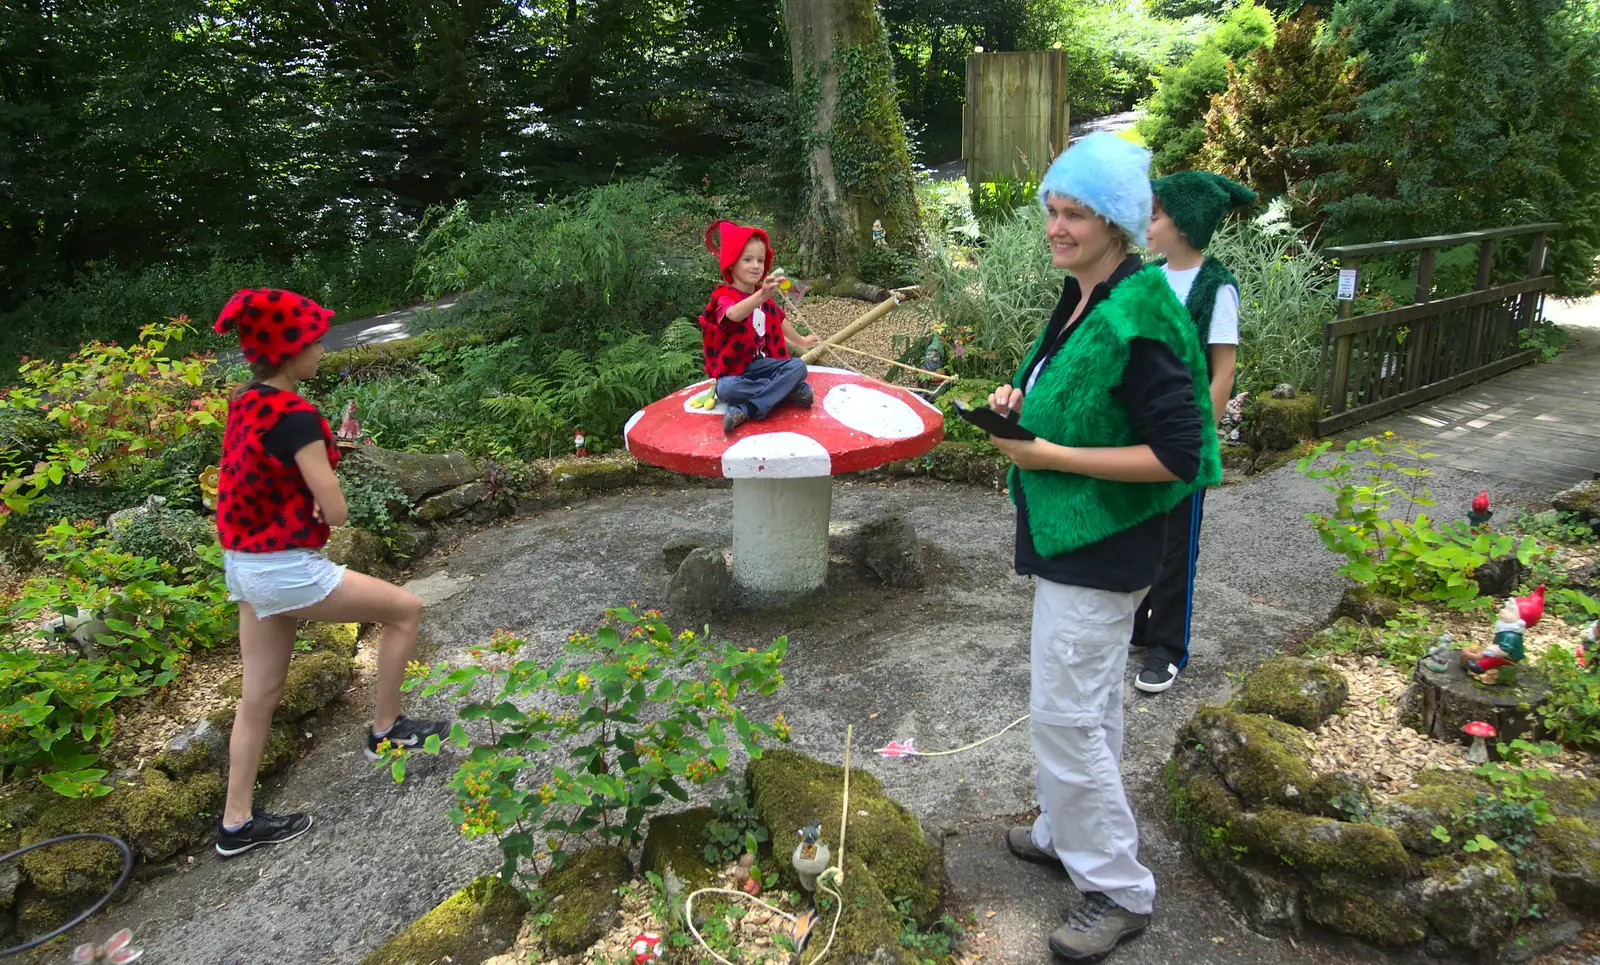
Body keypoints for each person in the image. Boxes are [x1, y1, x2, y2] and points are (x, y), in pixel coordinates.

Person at [984, 134, 1221, 960]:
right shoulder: (1087, 293)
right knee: (1091, 708)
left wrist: (1048, 456)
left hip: (1107, 544)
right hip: (1075, 537)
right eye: (1051, 210)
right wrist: (1027, 400)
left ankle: (1116, 887)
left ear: (1116, 222)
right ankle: (1064, 829)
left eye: (1074, 213)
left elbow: (1179, 455)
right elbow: (1086, 396)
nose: (1056, 226)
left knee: (1064, 714)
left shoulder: (1141, 312)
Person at [211, 288, 449, 858]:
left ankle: (235, 824)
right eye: (312, 340)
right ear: (291, 350)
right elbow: (337, 508)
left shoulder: (247, 402)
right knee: (406, 610)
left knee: (258, 695)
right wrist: (326, 494)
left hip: (244, 565)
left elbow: (259, 481)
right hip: (286, 569)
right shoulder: (297, 417)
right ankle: (386, 730)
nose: (320, 347)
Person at [1132, 171, 1257, 694]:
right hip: (1138, 434)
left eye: (1156, 215)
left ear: (1183, 224)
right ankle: (1140, 622)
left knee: (1177, 540)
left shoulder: (1215, 286)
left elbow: (1222, 371)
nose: (1147, 223)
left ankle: (1169, 646)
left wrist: (1195, 436)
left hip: (1182, 438)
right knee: (1140, 530)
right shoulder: (1149, 279)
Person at [698, 220, 819, 434]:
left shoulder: (765, 299)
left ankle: (748, 408)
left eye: (760, 260)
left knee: (798, 367)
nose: (756, 266)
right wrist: (760, 295)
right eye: (748, 259)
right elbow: (733, 315)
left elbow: (780, 321)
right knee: (725, 389)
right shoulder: (724, 297)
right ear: (732, 264)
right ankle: (788, 391)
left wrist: (802, 341)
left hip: (763, 365)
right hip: (736, 371)